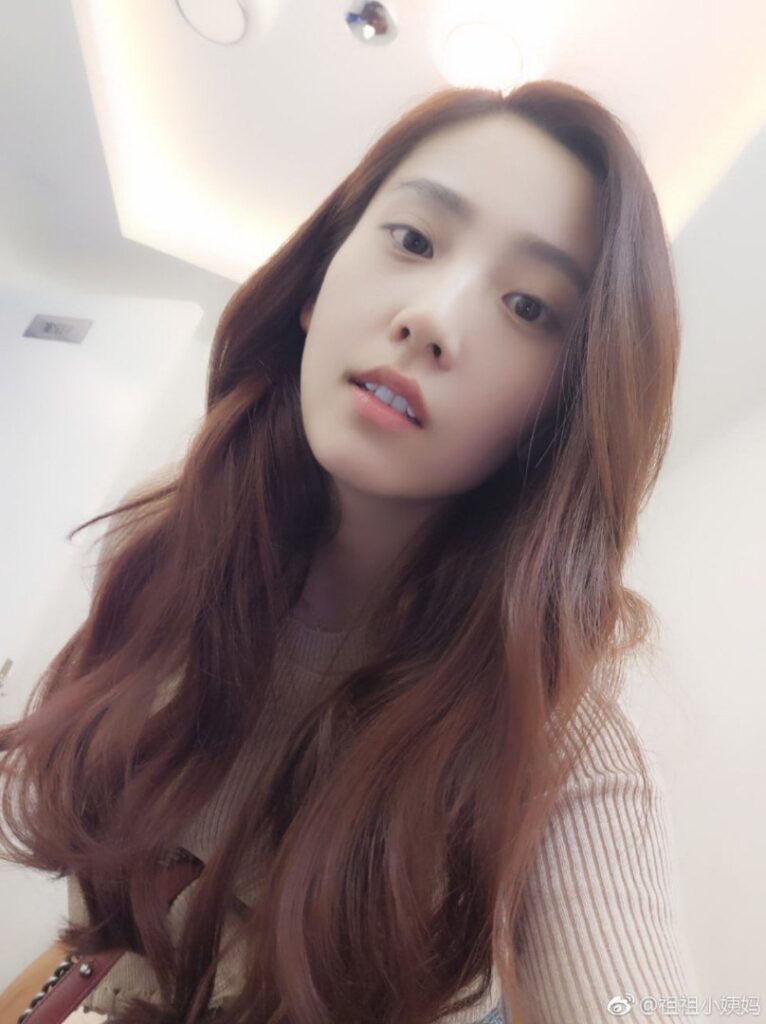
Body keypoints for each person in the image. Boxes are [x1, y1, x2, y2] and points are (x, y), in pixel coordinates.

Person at [0, 81, 700, 1024]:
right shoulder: (167, 540)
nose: (432, 319)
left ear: (561, 410)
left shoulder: (556, 726)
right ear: (316, 281)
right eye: (412, 239)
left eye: (528, 306)